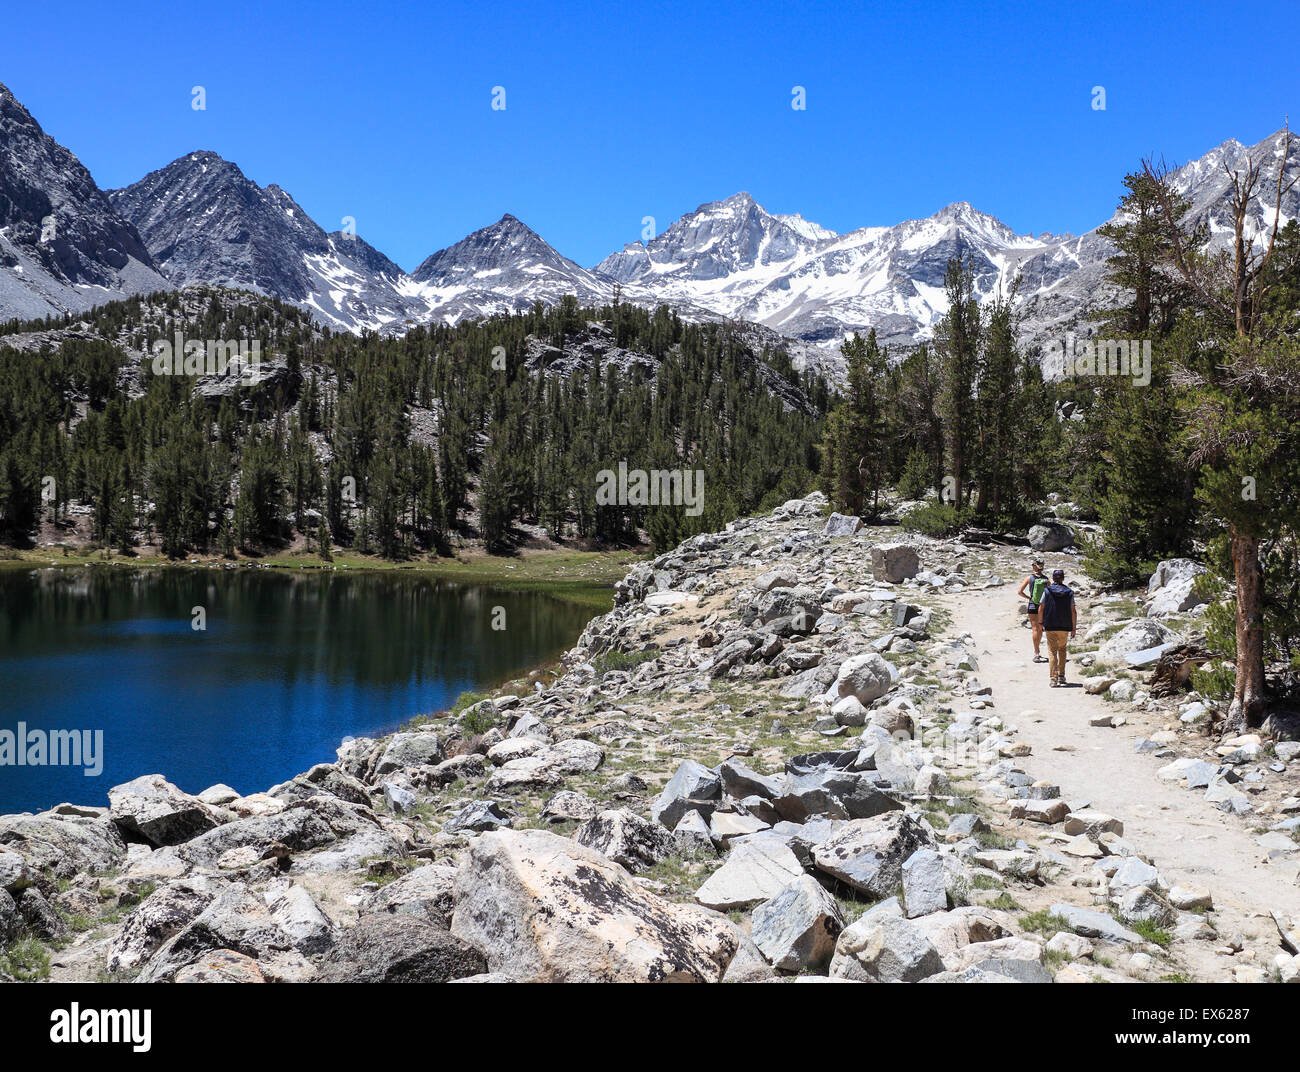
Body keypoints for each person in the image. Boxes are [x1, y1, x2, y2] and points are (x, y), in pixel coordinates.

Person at [1037, 568, 1077, 687]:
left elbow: (1041, 608)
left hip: (1050, 624)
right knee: (1062, 650)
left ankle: (1053, 679)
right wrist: (1074, 628)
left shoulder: (1047, 591)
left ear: (1053, 579)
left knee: (1052, 651)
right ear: (1063, 578)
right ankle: (1062, 676)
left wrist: (1040, 623)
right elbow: (1073, 611)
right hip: (1064, 626)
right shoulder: (1069, 592)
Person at [1016, 559, 1049, 663]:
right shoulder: (1046, 579)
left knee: (1034, 629)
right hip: (1043, 606)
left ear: (1035, 566)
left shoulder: (1029, 578)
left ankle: (1036, 652)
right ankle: (1039, 650)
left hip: (1032, 605)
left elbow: (1019, 592)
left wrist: (1029, 597)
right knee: (1040, 628)